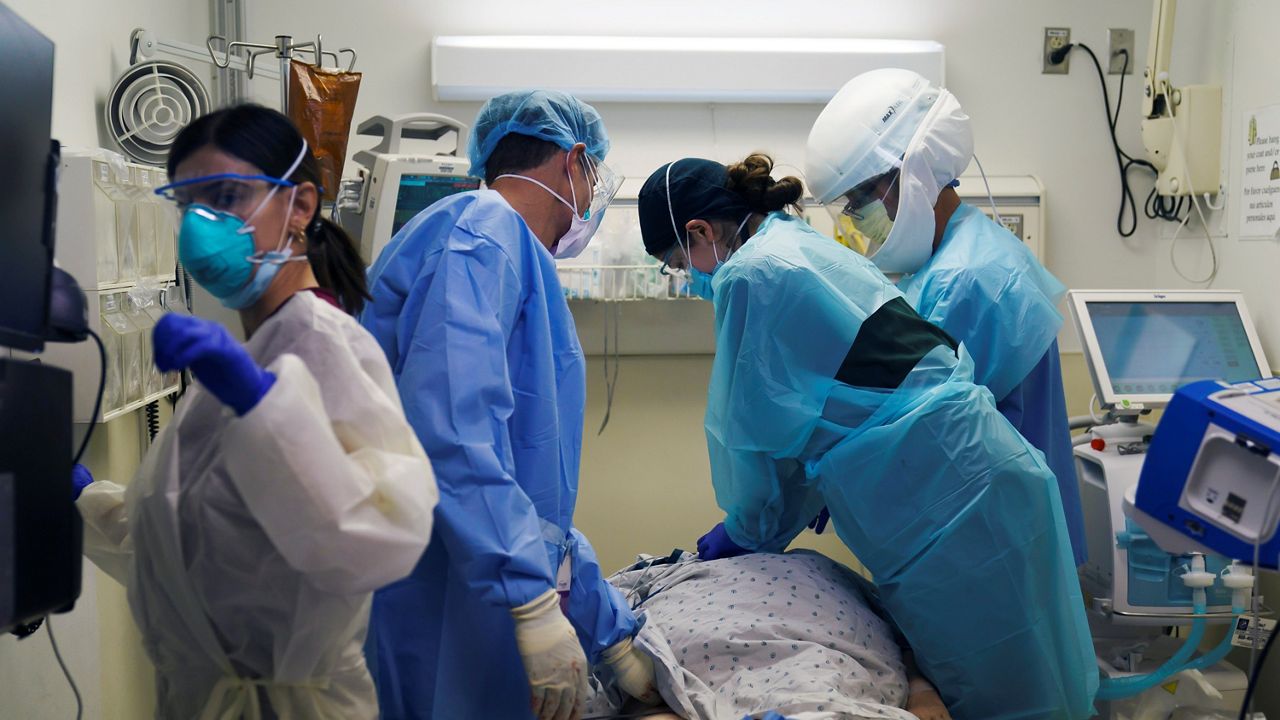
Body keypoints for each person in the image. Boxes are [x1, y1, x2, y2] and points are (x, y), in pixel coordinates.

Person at [636, 153, 1097, 720]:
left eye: (678, 264)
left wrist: (746, 530)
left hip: (950, 511)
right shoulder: (797, 244)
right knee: (1053, 683)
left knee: (1007, 699)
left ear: (699, 232)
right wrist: (821, 480)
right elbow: (835, 402)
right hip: (982, 473)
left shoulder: (751, 274)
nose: (688, 279)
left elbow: (758, 440)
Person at [72, 104, 439, 718]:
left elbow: (382, 540)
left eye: (227, 196)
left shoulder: (323, 344)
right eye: (188, 204)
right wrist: (83, 499)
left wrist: (264, 407)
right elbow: (196, 551)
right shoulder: (248, 358)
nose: (199, 225)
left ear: (299, 206)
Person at [360, 89, 657, 720]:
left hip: (475, 585)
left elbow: (529, 490)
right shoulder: (483, 235)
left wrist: (606, 631)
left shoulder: (509, 253)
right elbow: (455, 436)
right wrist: (530, 600)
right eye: (594, 173)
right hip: (439, 595)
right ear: (575, 161)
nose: (590, 193)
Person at [805, 67, 1087, 566]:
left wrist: (825, 474)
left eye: (862, 199)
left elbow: (910, 427)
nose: (856, 218)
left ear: (914, 171)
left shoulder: (968, 276)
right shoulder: (952, 255)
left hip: (999, 541)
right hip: (988, 527)